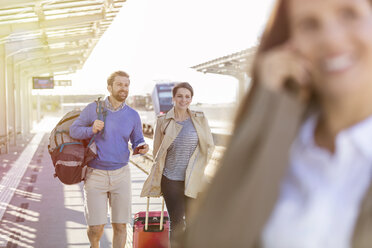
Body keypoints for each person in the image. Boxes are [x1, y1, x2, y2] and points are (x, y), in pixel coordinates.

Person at [185, 0, 372, 247]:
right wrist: (271, 102)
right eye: (308, 24)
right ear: (290, 44)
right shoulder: (278, 139)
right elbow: (208, 238)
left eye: (349, 14)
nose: (332, 38)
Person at [69, 70, 149, 248]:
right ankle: (94, 245)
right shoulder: (94, 109)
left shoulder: (133, 115)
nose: (124, 88)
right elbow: (74, 130)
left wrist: (142, 147)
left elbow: (137, 140)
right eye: (119, 84)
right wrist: (91, 129)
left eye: (126, 85)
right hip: (95, 174)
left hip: (121, 174)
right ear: (109, 87)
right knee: (96, 228)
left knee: (120, 225)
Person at [141, 82, 214, 247]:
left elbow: (208, 146)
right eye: (180, 96)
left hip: (193, 179)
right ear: (173, 98)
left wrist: (199, 167)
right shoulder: (163, 121)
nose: (183, 100)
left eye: (187, 96)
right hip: (171, 180)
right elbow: (157, 152)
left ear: (191, 99)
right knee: (177, 224)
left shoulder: (200, 119)